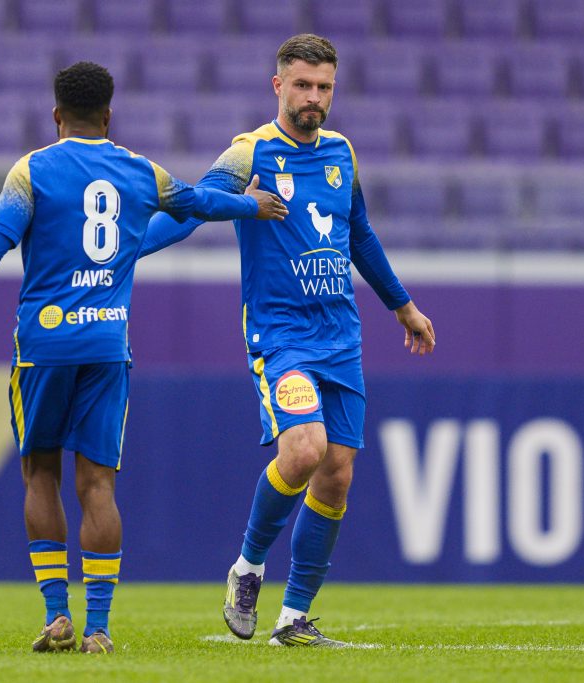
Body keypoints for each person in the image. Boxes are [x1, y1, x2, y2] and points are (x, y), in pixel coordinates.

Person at [0, 61, 287, 655]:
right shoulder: (141, 171)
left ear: (56, 115)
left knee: (40, 473)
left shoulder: (31, 171)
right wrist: (251, 206)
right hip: (106, 346)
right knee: (97, 484)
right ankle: (98, 627)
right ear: (109, 115)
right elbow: (197, 204)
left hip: (43, 348)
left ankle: (56, 616)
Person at [141, 34, 436, 647]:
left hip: (341, 337)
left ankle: (293, 619)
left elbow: (359, 234)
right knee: (303, 451)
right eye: (302, 85)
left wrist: (402, 305)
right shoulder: (249, 153)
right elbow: (192, 207)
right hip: (281, 336)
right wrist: (122, 253)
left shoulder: (342, 153)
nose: (314, 98)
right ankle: (247, 569)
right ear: (278, 86)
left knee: (337, 473)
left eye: (324, 87)